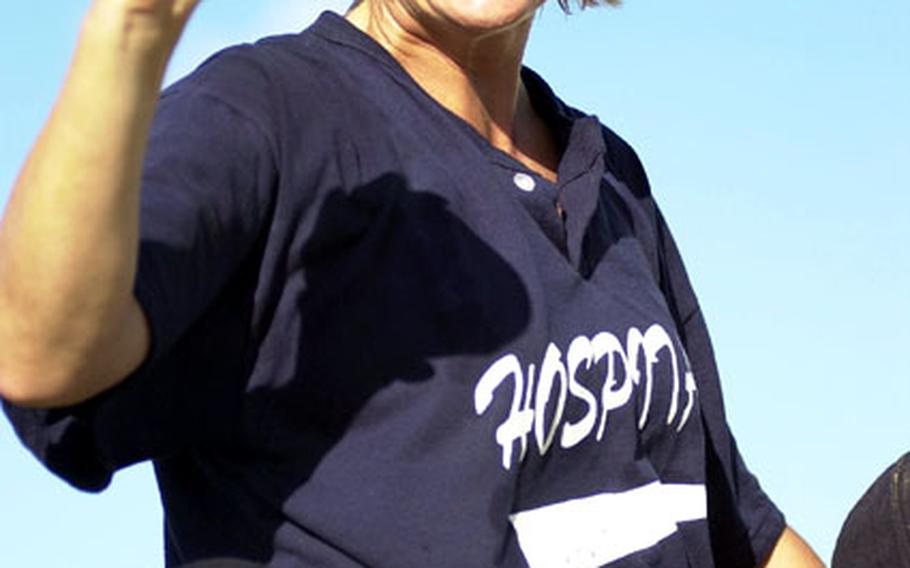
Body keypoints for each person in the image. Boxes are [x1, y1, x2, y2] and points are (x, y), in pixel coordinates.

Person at [0, 0, 824, 566]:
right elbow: (40, 356)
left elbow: (734, 529)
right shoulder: (270, 118)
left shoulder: (614, 183)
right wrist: (130, 31)